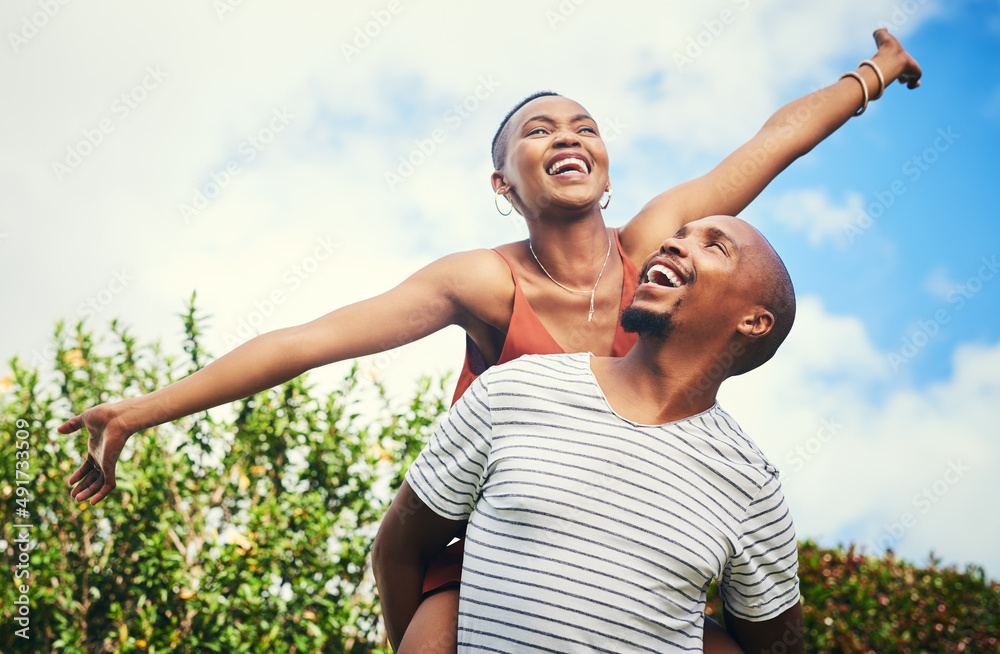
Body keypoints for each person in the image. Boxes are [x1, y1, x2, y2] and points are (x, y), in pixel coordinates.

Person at [57, 28, 920, 654]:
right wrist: (145, 409)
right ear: (504, 183)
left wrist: (874, 72)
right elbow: (313, 339)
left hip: (627, 542)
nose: (568, 136)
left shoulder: (655, 242)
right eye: (538, 131)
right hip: (489, 546)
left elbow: (771, 144)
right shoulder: (481, 283)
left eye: (583, 125)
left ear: (607, 162)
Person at [373, 215, 803, 653]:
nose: (673, 245)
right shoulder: (513, 388)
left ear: (754, 321)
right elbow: (399, 551)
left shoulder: (750, 486)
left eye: (715, 247)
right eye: (677, 234)